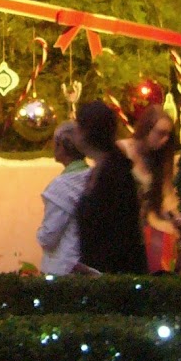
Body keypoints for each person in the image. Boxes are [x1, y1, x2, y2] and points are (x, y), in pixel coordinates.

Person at [74, 100, 147, 275]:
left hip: (114, 273)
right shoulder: (102, 169)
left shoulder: (115, 173)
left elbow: (120, 232)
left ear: (87, 132)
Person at [120, 104, 181, 272]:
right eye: (160, 133)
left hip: (149, 230)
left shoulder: (160, 160)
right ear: (146, 128)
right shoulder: (122, 151)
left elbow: (166, 198)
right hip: (124, 230)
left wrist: (175, 216)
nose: (165, 140)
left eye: (168, 135)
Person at [36, 120, 91, 276]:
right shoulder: (93, 177)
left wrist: (39, 235)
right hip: (86, 260)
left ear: (62, 146)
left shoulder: (62, 186)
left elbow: (49, 236)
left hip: (64, 266)